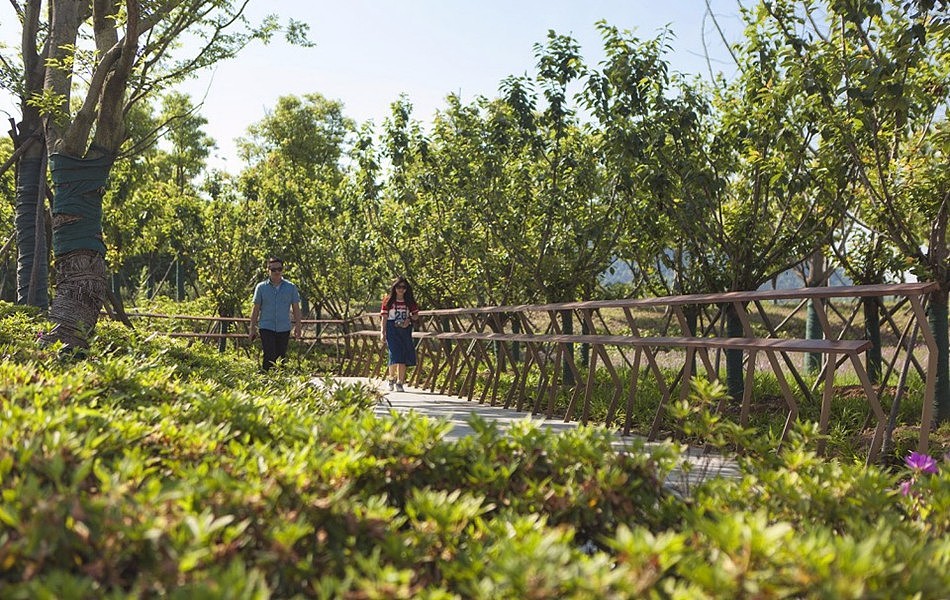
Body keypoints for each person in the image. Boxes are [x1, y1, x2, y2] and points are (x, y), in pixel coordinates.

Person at [249, 257, 302, 371]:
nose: (277, 272)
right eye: (274, 270)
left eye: (279, 269)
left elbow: (296, 308)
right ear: (268, 270)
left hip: (284, 327)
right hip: (266, 326)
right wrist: (252, 327)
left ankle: (280, 383)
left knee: (281, 357)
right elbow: (256, 308)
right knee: (269, 355)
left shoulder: (291, 287)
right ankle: (266, 382)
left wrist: (298, 326)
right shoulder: (261, 287)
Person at [380, 276, 420, 392]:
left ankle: (400, 382)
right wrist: (383, 332)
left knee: (403, 354)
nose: (401, 289)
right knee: (394, 353)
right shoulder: (388, 301)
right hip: (392, 328)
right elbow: (384, 317)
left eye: (403, 287)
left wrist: (409, 319)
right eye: (398, 287)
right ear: (394, 288)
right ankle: (391, 378)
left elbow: (416, 315)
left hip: (405, 329)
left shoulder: (409, 301)